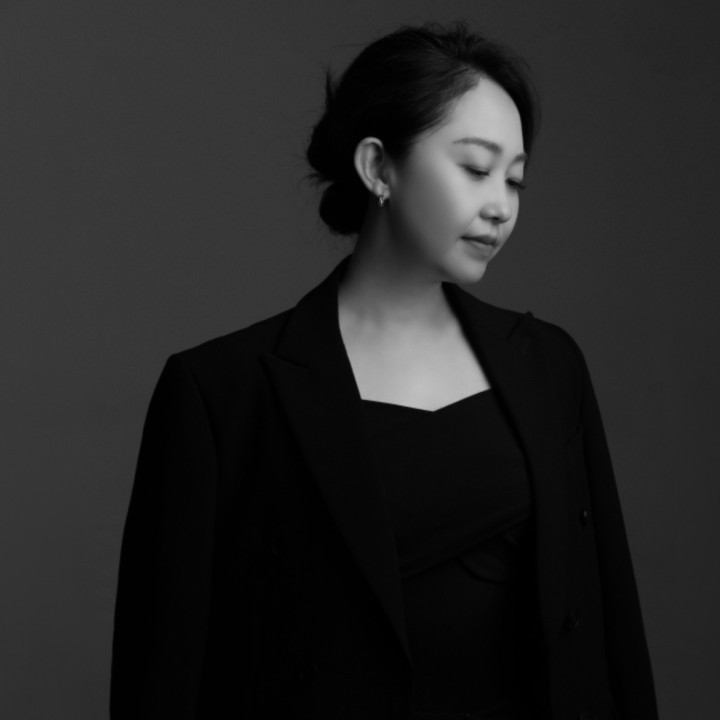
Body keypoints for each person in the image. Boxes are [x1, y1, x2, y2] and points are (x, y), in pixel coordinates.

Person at [110, 21, 658, 720]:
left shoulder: (549, 366)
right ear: (377, 167)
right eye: (475, 168)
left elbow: (611, 627)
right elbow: (161, 675)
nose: (501, 205)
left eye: (515, 179)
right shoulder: (222, 393)